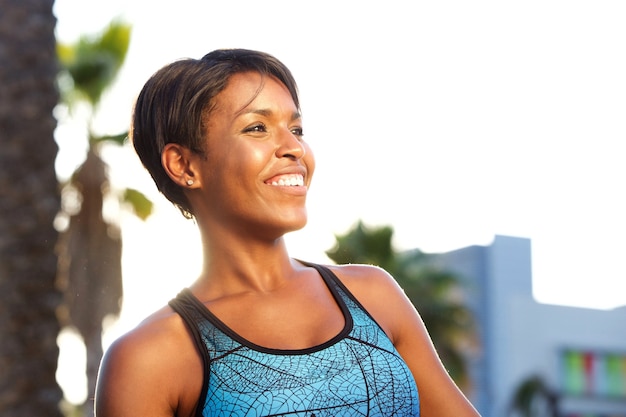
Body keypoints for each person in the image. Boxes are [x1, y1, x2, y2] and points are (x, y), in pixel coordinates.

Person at [94, 48, 481, 417]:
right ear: (184, 165)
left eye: (296, 128)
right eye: (258, 127)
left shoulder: (374, 296)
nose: (294, 147)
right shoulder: (148, 358)